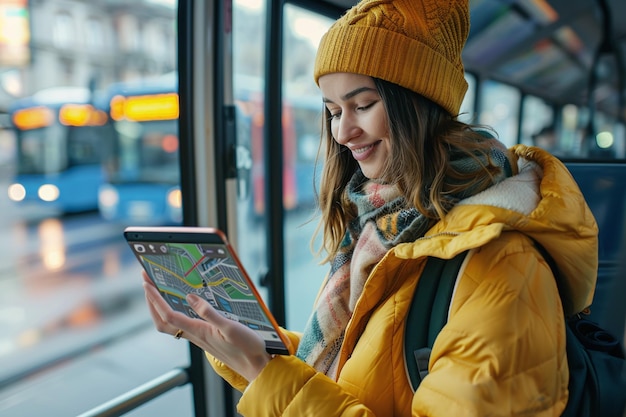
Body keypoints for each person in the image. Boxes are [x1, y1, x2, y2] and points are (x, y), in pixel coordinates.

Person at [142, 0, 599, 415]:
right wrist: (228, 339)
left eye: (362, 105)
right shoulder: (386, 223)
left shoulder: (502, 265)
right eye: (333, 112)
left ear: (419, 105)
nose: (342, 134)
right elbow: (355, 368)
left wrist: (266, 373)